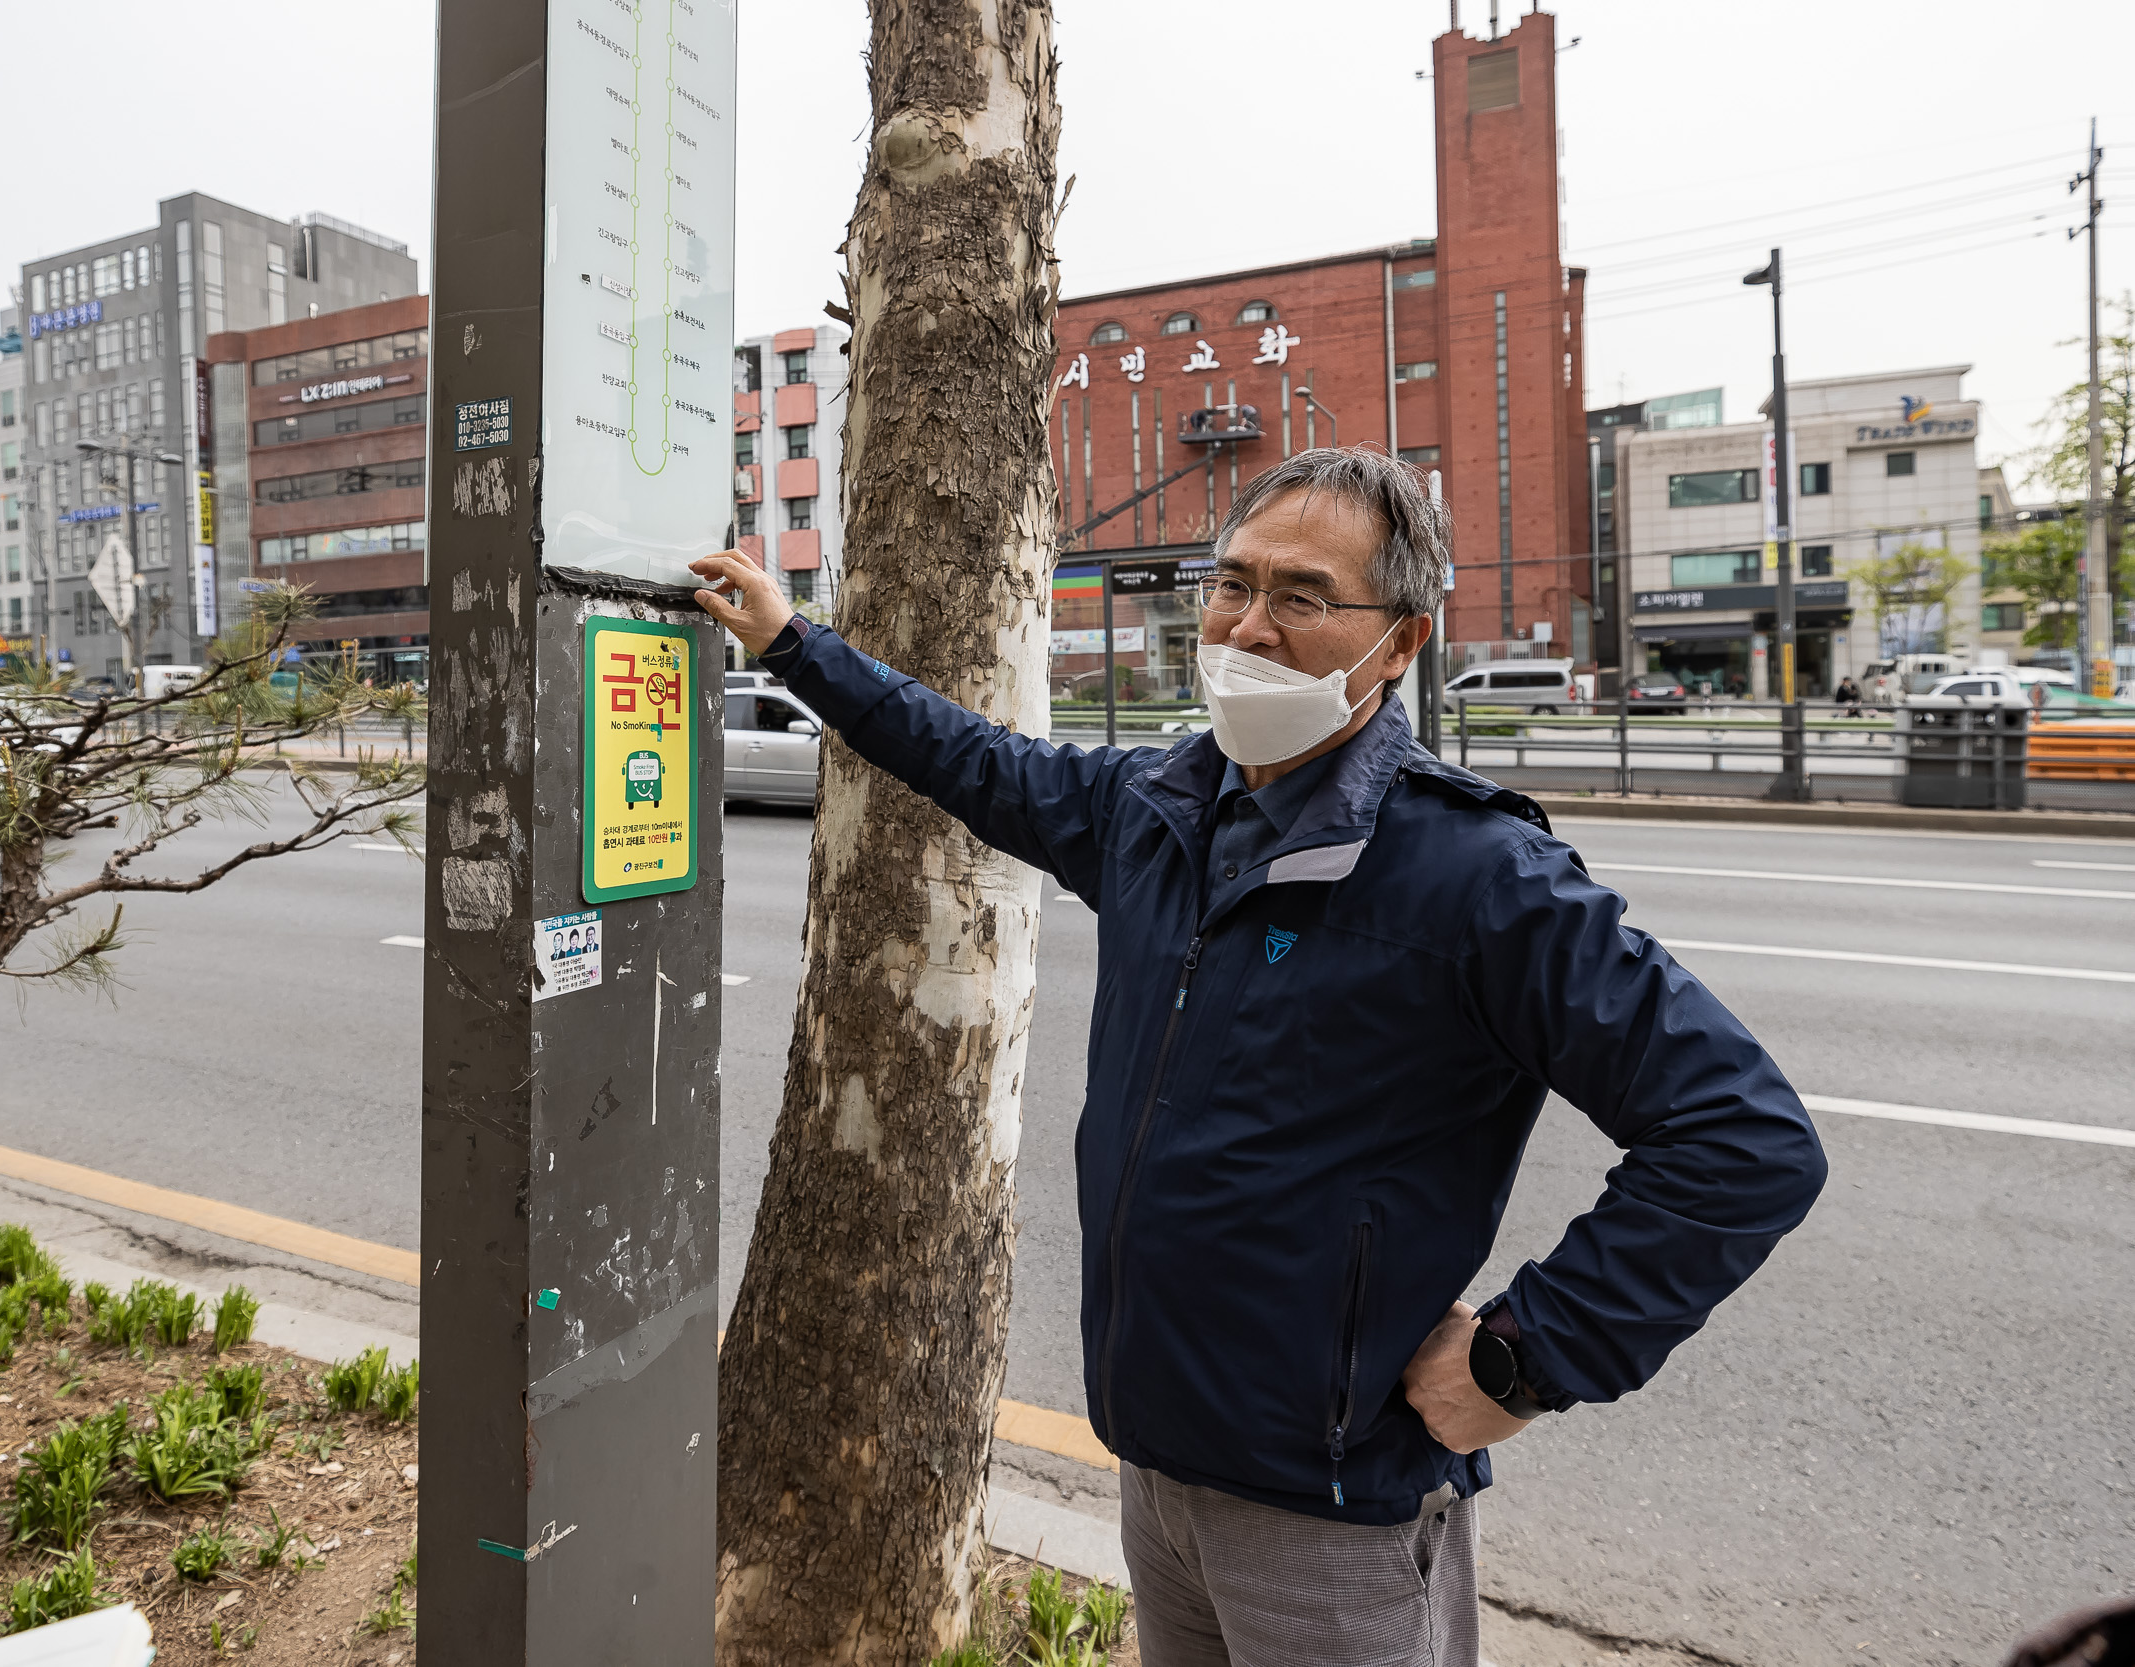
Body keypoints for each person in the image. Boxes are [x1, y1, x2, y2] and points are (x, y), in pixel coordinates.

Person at [691, 447, 1827, 1667]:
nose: (1249, 623)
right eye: (1230, 583)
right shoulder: (1158, 808)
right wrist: (793, 641)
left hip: (1329, 1514)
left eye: (1301, 595)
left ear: (1399, 642)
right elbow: (972, 760)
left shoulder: (1477, 878)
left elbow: (1743, 1138)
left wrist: (1522, 1355)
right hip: (1157, 1466)